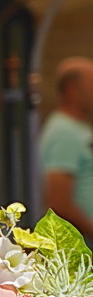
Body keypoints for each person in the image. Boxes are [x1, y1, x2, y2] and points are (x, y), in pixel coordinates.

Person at [40, 56, 93, 241]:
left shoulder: (78, 128)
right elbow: (58, 201)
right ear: (71, 89)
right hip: (81, 251)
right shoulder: (64, 132)